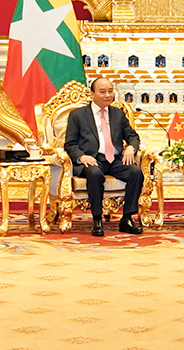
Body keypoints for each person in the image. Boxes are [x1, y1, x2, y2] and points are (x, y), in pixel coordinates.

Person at [63, 77, 146, 236]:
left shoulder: (118, 114)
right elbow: (70, 143)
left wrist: (131, 147)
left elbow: (132, 136)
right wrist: (81, 157)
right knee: (95, 174)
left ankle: (127, 218)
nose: (108, 95)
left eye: (110, 91)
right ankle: (97, 219)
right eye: (102, 92)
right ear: (92, 93)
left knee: (135, 172)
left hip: (115, 159)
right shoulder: (78, 115)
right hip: (92, 159)